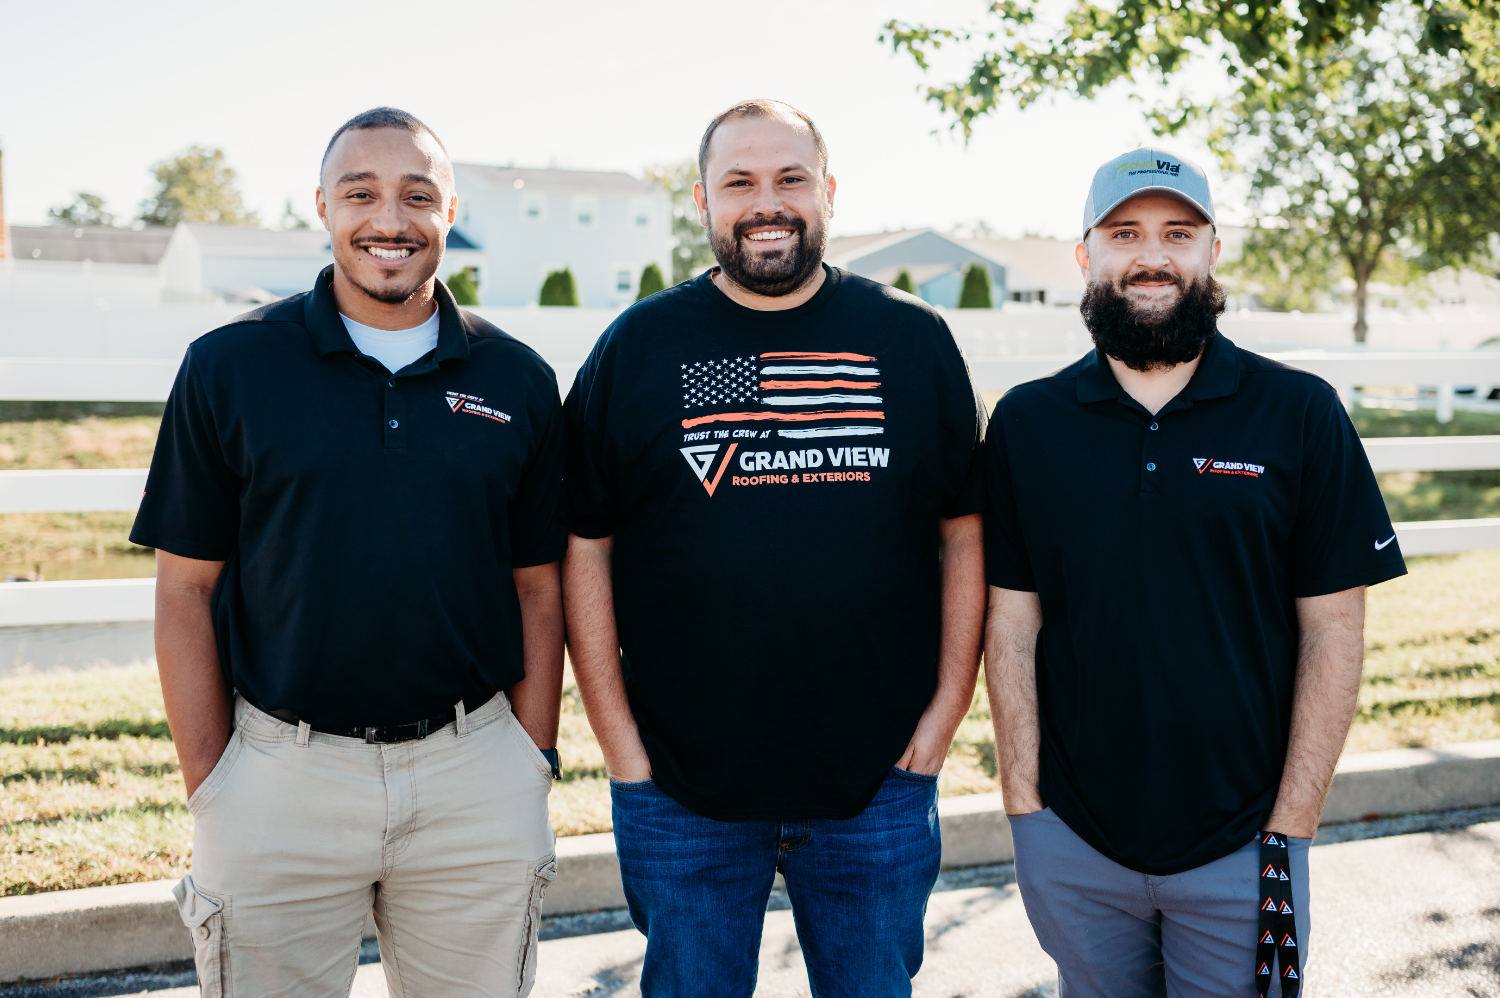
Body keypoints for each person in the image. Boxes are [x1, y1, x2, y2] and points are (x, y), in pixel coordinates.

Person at [131, 107, 567, 998]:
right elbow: (184, 592)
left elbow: (538, 588)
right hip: (279, 776)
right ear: (323, 206)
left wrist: (529, 761)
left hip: (472, 776)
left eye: (417, 195)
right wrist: (214, 782)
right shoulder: (230, 366)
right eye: (361, 194)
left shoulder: (516, 379)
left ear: (450, 210)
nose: (389, 221)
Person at [560, 99, 987, 997]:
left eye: (791, 178)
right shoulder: (639, 347)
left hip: (877, 781)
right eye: (740, 182)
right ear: (703, 201)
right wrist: (622, 748)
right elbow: (583, 546)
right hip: (682, 785)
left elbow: (962, 531)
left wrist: (942, 717)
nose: (768, 201)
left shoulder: (909, 341)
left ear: (827, 190)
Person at [982, 148, 1407, 997]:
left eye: (1178, 232)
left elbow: (1333, 629)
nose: (1151, 255)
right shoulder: (1028, 424)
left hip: (1244, 851)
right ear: (1086, 256)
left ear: (1213, 251)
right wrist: (1026, 807)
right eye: (1124, 233)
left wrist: (1290, 828)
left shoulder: (1299, 413)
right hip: (1074, 844)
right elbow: (1012, 621)